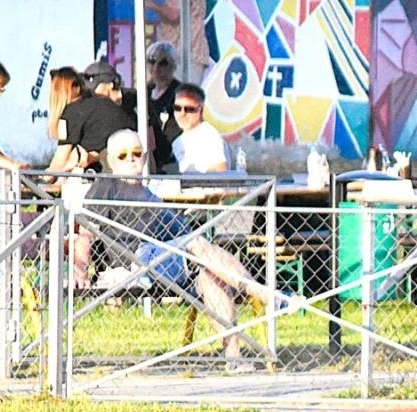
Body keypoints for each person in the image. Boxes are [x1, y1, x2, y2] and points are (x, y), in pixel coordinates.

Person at [71, 129, 277, 371]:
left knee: (209, 276)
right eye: (123, 155)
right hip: (136, 262)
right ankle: (268, 296)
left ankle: (234, 359)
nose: (131, 160)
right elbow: (85, 235)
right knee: (196, 244)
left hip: (164, 261)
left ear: (145, 157)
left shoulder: (151, 195)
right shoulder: (106, 186)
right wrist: (79, 272)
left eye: (136, 153)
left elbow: (181, 232)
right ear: (112, 161)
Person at [48, 66, 131, 172]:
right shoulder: (101, 104)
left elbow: (59, 162)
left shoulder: (74, 111)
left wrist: (36, 180)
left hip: (108, 174)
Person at [143, 40, 185, 172]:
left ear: (172, 66)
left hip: (170, 155)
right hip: (149, 153)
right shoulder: (146, 90)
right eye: (152, 61)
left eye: (163, 63)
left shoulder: (179, 92)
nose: (156, 67)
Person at [169, 85, 228, 174]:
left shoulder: (210, 136)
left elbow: (222, 176)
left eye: (189, 109)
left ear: (200, 110)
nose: (182, 114)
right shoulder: (177, 142)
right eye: (177, 108)